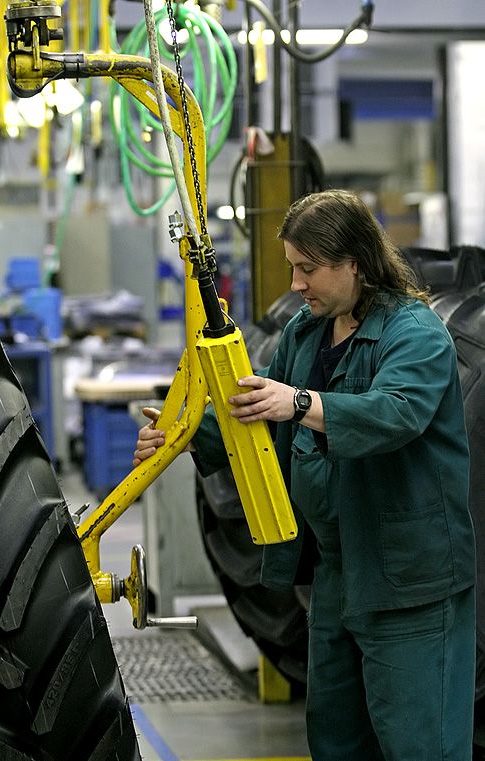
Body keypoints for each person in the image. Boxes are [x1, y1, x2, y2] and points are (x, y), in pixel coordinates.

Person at [133, 189, 476, 761]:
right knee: (337, 740)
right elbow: (257, 407)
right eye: (293, 267)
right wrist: (186, 432)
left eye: (308, 269)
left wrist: (299, 402)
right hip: (337, 573)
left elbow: (397, 412)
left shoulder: (414, 333)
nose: (295, 284)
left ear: (356, 263)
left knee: (422, 745)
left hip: (409, 580)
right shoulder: (306, 333)